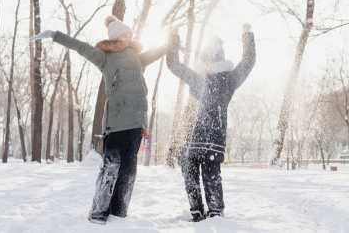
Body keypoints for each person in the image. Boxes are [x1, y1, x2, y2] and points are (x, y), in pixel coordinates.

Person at [33, 15, 177, 224]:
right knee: (111, 167)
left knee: (129, 172)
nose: (130, 36)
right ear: (118, 36)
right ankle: (99, 213)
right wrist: (55, 35)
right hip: (116, 123)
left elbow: (156, 52)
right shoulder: (105, 57)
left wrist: (170, 42)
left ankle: (119, 214)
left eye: (130, 34)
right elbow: (80, 47)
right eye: (126, 34)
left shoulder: (137, 58)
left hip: (136, 124)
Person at [166, 24, 256, 222]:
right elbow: (173, 64)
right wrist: (173, 38)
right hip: (192, 138)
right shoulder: (196, 77)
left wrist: (247, 36)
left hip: (211, 140)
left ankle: (215, 214)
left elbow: (248, 62)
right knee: (190, 174)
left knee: (209, 176)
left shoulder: (228, 78)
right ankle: (198, 212)